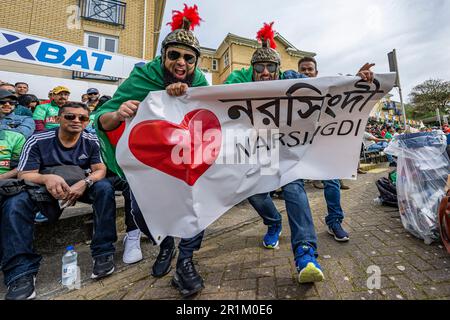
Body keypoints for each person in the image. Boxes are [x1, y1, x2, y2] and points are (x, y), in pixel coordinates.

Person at [94, 4, 209, 297]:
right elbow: (103, 120)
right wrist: (120, 113)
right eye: (174, 55)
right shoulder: (141, 78)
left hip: (185, 162)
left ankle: (185, 261)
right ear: (163, 57)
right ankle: (165, 245)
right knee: (144, 216)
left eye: (188, 58)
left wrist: (184, 98)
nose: (181, 63)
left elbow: (212, 119)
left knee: (196, 210)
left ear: (196, 63)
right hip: (146, 164)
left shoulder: (200, 84)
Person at [224, 22, 324, 283]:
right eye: (259, 68)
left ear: (279, 69)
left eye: (271, 67)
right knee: (255, 193)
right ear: (252, 69)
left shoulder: (290, 79)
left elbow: (324, 88)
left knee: (293, 188)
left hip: (287, 149)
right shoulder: (238, 81)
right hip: (257, 149)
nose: (265, 72)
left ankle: (306, 253)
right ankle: (273, 222)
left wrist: (359, 82)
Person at [1, 102, 118, 300]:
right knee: (15, 204)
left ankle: (103, 253)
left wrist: (85, 182)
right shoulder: (38, 139)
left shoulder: (90, 139)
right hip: (43, 187)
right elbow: (25, 174)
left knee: (105, 188)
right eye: (70, 117)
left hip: (79, 184)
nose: (77, 121)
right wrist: (47, 178)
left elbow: (100, 170)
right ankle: (21, 273)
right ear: (57, 119)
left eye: (82, 118)